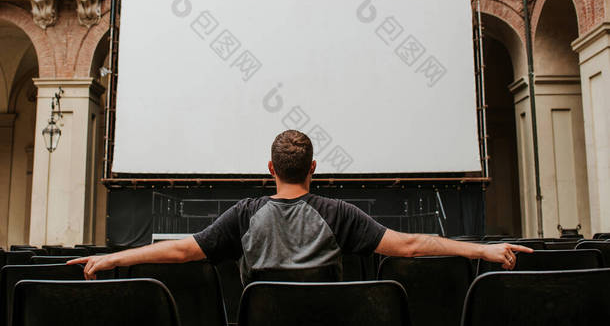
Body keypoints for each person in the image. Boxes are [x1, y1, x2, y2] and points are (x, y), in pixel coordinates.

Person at [69, 130, 532, 281]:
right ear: (314, 168)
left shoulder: (246, 215)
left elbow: (178, 251)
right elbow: (410, 245)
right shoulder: (337, 213)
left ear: (270, 167)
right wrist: (484, 251)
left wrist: (112, 257)